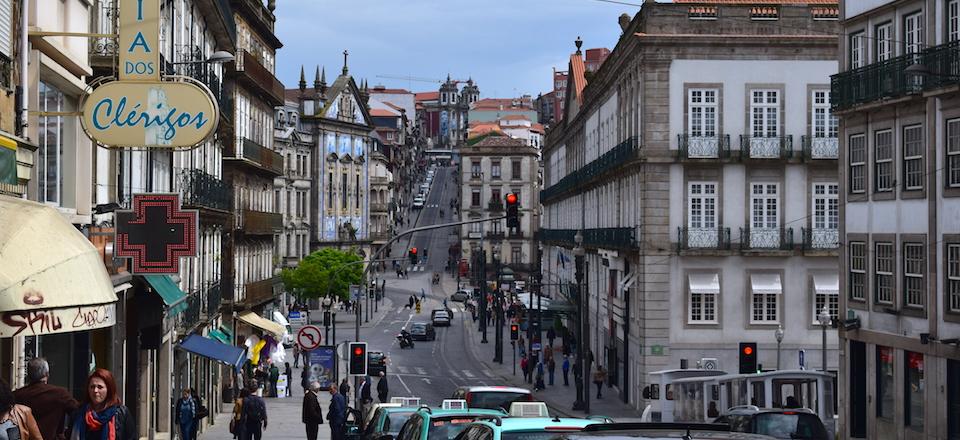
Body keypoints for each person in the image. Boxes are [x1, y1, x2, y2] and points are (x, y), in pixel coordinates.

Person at [14, 357, 79, 440]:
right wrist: (67, 434)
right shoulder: (60, 394)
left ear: (28, 375)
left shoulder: (17, 395)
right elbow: (77, 412)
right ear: (47, 374)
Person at [69, 368, 136, 440]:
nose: (95, 391)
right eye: (92, 387)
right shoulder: (79, 413)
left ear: (109, 389)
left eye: (100, 387)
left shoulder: (122, 413)